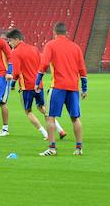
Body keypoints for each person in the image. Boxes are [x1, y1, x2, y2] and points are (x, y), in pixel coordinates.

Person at [36, 22, 87, 156]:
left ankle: (52, 148)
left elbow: (44, 64)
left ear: (54, 32)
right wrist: (84, 88)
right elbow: (82, 69)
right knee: (75, 118)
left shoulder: (51, 45)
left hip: (58, 86)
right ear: (66, 33)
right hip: (73, 88)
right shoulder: (76, 47)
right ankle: (79, 148)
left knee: (50, 117)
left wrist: (37, 82)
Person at [5, 28, 66, 140]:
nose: (9, 43)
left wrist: (11, 81)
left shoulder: (15, 52)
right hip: (38, 85)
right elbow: (42, 64)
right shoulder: (34, 49)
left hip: (26, 86)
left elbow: (16, 72)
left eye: (10, 41)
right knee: (42, 108)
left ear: (17, 39)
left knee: (28, 111)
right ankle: (60, 129)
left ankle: (45, 133)